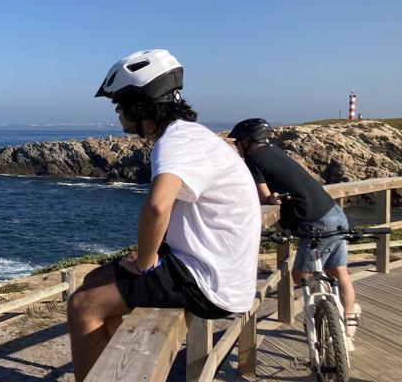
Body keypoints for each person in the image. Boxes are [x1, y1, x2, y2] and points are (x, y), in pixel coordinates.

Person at [66, 50, 260, 382]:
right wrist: (149, 255)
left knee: (83, 306)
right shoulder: (191, 136)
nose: (117, 111)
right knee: (94, 280)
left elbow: (158, 206)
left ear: (140, 106)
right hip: (215, 269)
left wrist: (145, 263)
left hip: (210, 282)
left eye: (120, 102)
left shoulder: (175, 142)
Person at [229, 118, 361, 349]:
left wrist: (271, 200)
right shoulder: (274, 151)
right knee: (339, 272)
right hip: (334, 213)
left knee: (300, 275)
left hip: (312, 223)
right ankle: (346, 323)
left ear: (248, 141)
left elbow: (264, 196)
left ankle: (327, 314)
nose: (237, 147)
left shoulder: (253, 159)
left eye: (239, 142)